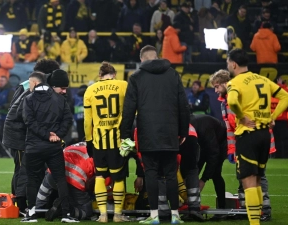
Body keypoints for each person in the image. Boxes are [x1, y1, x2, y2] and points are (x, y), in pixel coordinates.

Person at [120, 45, 190, 224]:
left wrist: (125, 134)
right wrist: (183, 130)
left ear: (142, 60)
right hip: (170, 133)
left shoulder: (136, 77)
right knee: (171, 173)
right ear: (157, 57)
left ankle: (154, 216)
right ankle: (175, 215)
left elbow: (128, 109)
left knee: (150, 173)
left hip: (148, 134)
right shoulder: (173, 74)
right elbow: (183, 105)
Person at [226, 49, 288, 225]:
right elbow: (286, 97)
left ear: (234, 64)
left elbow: (231, 102)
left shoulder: (235, 82)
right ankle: (259, 218)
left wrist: (241, 116)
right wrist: (272, 117)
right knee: (259, 178)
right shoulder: (262, 79)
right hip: (264, 135)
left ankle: (255, 223)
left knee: (248, 180)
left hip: (248, 135)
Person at [210, 69, 276, 221]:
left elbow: (240, 123)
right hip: (244, 141)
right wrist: (233, 148)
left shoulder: (236, 97)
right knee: (244, 175)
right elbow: (230, 128)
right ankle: (248, 208)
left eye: (217, 86)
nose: (215, 90)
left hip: (252, 139)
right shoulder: (225, 101)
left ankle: (263, 210)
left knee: (258, 175)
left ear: (226, 84)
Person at [3, 59, 61, 214]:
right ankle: (21, 205)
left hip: (23, 133)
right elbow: (19, 113)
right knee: (24, 168)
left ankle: (28, 202)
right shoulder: (33, 87)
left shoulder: (26, 84)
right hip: (20, 134)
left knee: (27, 167)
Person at [21, 71, 78, 223]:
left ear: (33, 83)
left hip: (34, 146)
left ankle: (31, 214)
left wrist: (47, 135)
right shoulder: (60, 99)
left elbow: (29, 122)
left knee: (32, 180)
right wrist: (57, 135)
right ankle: (66, 214)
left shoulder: (28, 99)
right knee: (60, 179)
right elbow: (68, 119)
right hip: (54, 147)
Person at [83, 61, 129, 223]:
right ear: (114, 74)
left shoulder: (90, 89)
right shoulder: (123, 85)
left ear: (100, 76)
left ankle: (102, 215)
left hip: (98, 142)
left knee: (100, 176)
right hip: (118, 141)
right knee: (118, 178)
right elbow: (132, 112)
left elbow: (87, 121)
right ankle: (117, 214)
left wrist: (88, 140)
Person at [36, 142, 95, 221]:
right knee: (87, 211)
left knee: (45, 188)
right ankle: (67, 210)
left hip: (54, 172)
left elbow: (44, 187)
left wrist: (38, 207)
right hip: (75, 179)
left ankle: (37, 209)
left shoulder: (78, 144)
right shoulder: (99, 151)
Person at [190, 114, 227, 219]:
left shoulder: (204, 130)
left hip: (220, 144)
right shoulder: (191, 128)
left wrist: (203, 179)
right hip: (204, 144)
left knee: (216, 174)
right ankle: (193, 206)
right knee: (193, 171)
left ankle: (222, 208)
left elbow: (214, 153)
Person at [0, 76, 14, 156]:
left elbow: (12, 103)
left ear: (7, 81)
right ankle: (1, 152)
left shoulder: (10, 91)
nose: (0, 82)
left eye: (2, 81)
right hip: (1, 117)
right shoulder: (0, 91)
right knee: (1, 135)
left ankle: (6, 153)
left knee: (6, 136)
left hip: (7, 117)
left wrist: (3, 106)